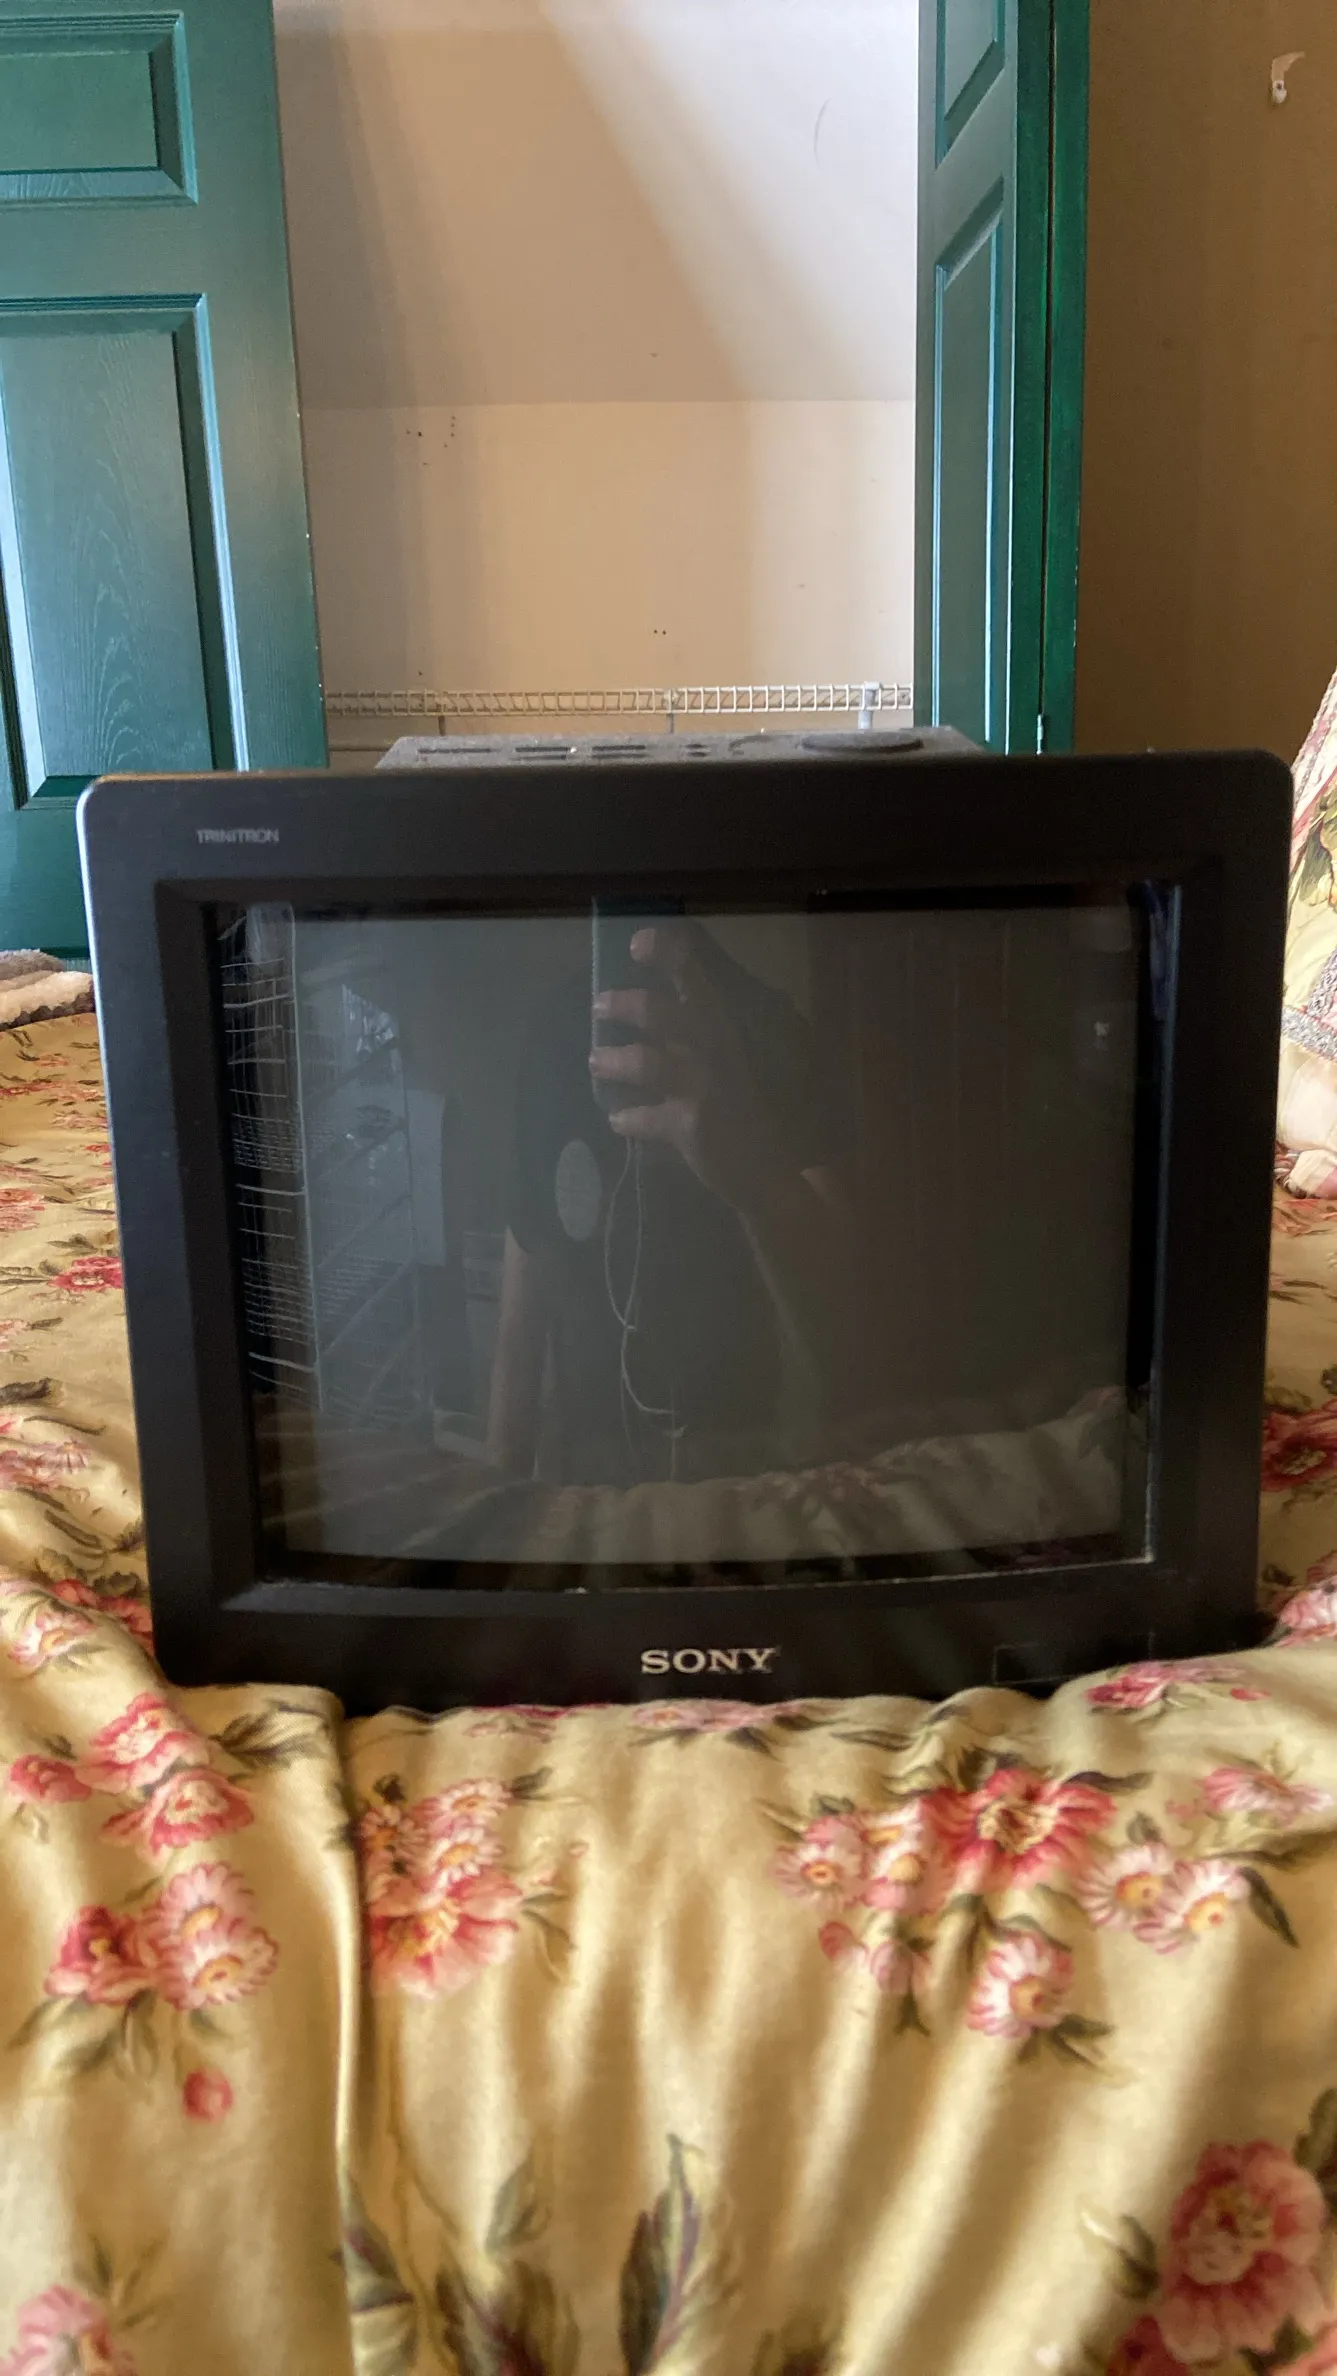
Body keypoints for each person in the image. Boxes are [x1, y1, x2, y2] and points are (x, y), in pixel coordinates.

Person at [485, 917, 882, 1487]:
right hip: (587, 1486)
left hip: (740, 1479)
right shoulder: (553, 1032)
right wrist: (501, 1489)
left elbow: (848, 1343)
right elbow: (526, 1282)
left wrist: (757, 1174)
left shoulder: (769, 1026)